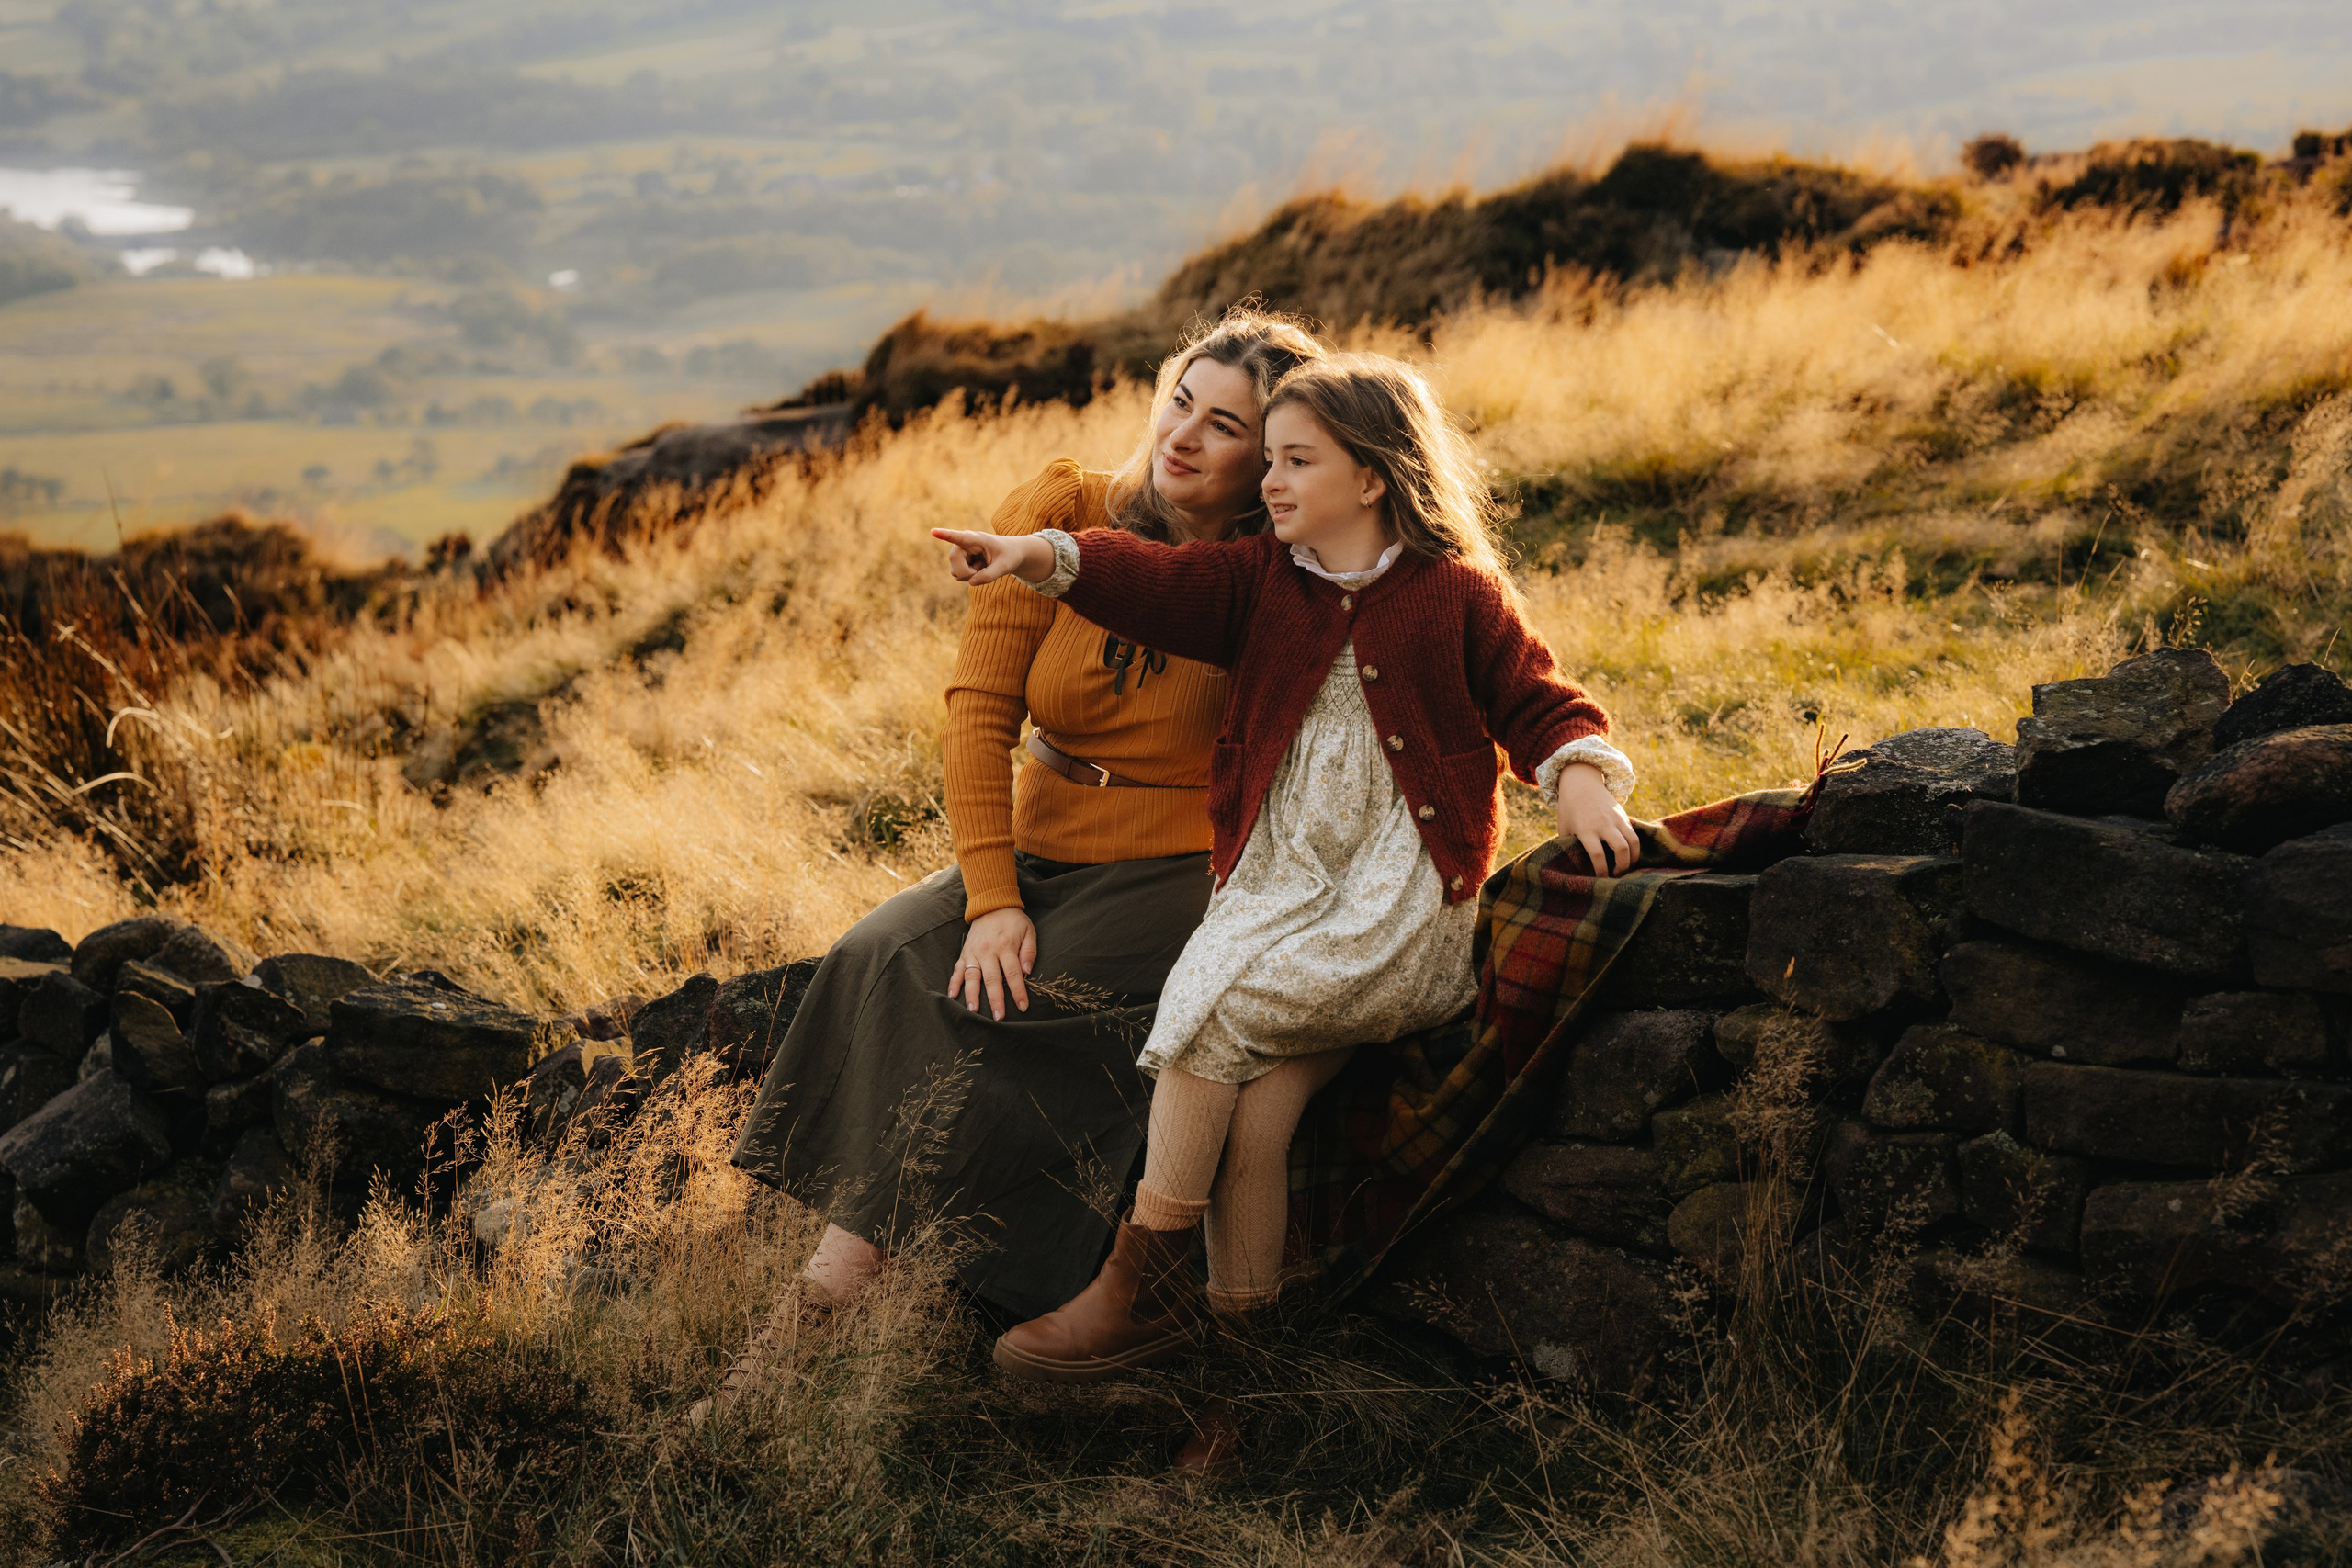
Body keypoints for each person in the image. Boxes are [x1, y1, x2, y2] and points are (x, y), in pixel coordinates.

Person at [932, 352, 1641, 1382]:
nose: (1267, 483)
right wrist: (1036, 554)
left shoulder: (1454, 595)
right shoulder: (1260, 582)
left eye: (1294, 461)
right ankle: (1242, 1374)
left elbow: (1538, 701)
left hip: (1391, 907)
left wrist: (1579, 779)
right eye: (1266, 458)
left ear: (1372, 477)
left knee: (1204, 1016)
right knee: (1256, 1122)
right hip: (1274, 891)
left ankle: (1141, 1279)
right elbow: (1147, 579)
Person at [708, 308, 1325, 1414]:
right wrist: (991, 898)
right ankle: (874, 1292)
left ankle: (802, 1338)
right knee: (881, 952)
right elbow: (977, 712)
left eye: (1224, 427)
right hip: (1035, 844)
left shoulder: (1274, 570)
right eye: (1181, 399)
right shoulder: (1059, 509)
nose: (1183, 435)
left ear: (1267, 456)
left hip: (1176, 869)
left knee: (998, 1014)